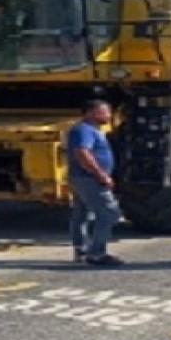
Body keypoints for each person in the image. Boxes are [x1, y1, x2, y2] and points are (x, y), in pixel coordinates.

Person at [66, 99, 125, 267]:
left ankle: (82, 250)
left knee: (81, 213)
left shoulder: (91, 130)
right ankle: (97, 253)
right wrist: (101, 175)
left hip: (82, 178)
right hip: (89, 179)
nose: (109, 115)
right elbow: (82, 153)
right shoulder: (84, 130)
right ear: (90, 113)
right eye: (104, 111)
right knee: (109, 213)